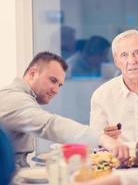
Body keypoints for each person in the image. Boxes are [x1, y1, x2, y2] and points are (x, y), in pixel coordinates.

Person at [0, 52, 129, 167]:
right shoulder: (14, 99)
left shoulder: (19, 97)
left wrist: (98, 137)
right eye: (52, 80)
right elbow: (49, 124)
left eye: (59, 85)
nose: (56, 90)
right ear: (32, 74)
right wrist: (102, 139)